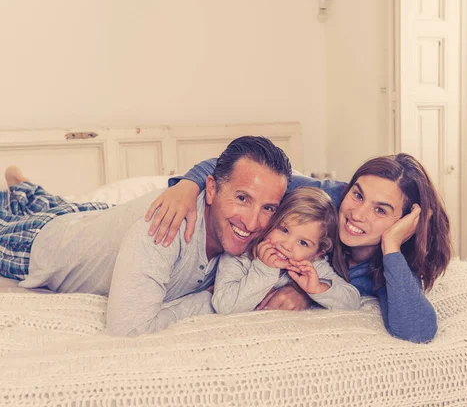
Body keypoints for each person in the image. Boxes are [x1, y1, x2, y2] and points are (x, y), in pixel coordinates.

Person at [0, 136, 292, 336]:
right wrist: (207, 299)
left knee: (70, 208)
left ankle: (25, 189)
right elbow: (129, 331)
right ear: (212, 189)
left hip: (104, 215)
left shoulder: (262, 233)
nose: (253, 222)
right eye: (242, 198)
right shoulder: (164, 227)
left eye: (267, 207)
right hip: (46, 242)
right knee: (53, 219)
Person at [146, 153, 452, 343]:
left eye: (381, 211)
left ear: (404, 224)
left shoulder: (390, 262)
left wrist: (391, 245)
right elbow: (230, 167)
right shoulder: (318, 201)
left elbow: (417, 331)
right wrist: (186, 187)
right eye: (357, 195)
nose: (357, 214)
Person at [212, 187, 360, 315]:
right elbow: (224, 306)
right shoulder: (241, 254)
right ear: (272, 220)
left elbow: (352, 301)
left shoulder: (312, 265)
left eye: (303, 243)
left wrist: (317, 288)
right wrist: (264, 270)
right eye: (284, 230)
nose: (287, 246)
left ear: (317, 253)